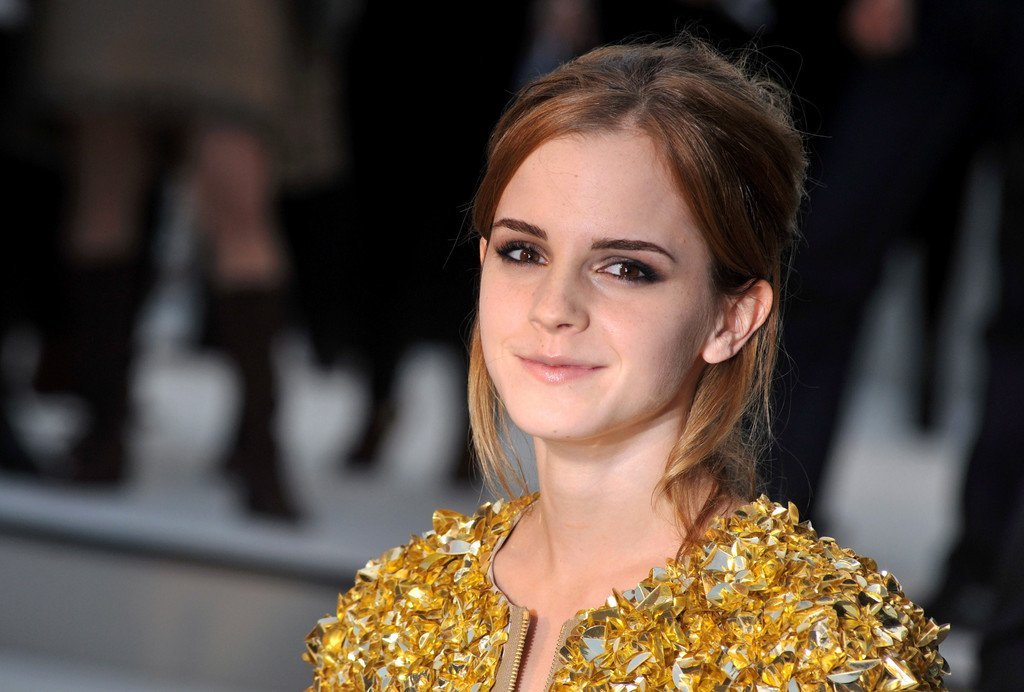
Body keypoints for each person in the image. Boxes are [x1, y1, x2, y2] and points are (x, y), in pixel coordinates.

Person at [305, 38, 948, 690]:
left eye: (625, 268)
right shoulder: (391, 614)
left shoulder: (827, 649)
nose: (554, 308)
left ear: (732, 318)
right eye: (523, 252)